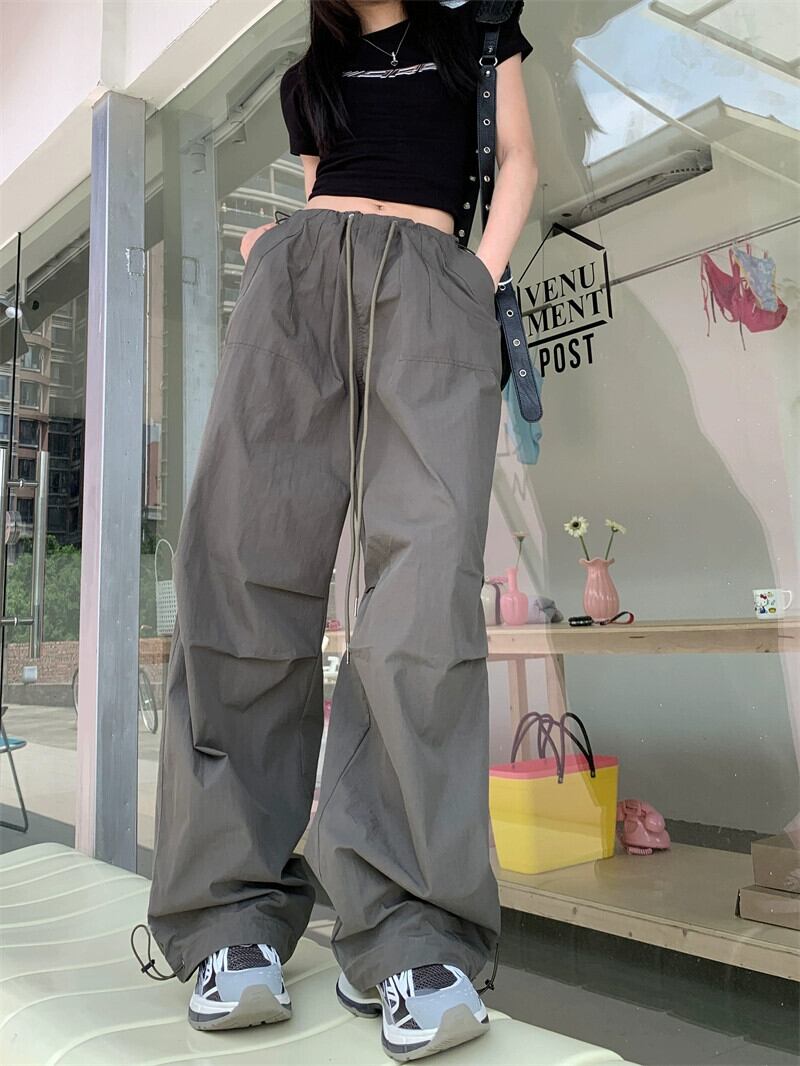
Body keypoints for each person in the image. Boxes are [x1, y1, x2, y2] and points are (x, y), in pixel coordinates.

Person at [142, 0, 537, 1059]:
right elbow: (324, 189)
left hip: (432, 288)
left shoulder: (478, 34)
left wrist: (474, 279)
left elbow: (518, 165)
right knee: (243, 573)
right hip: (298, 285)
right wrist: (277, 246)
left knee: (422, 599)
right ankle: (229, 922)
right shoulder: (306, 74)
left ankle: (415, 932)